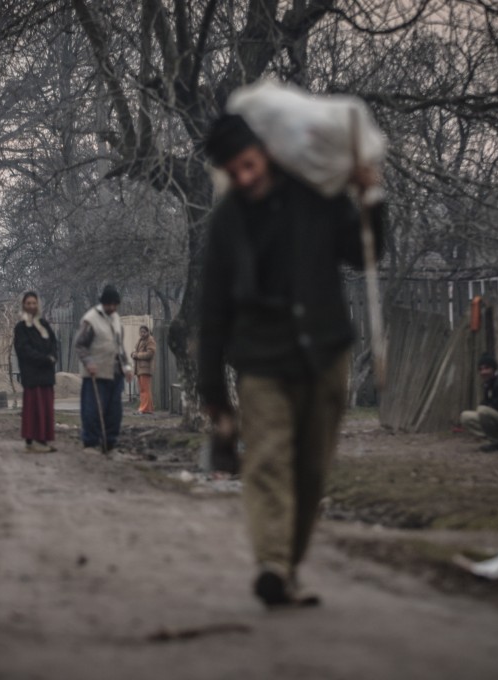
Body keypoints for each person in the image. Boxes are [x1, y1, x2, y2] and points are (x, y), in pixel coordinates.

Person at [198, 113, 387, 608]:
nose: (244, 177)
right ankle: (273, 565)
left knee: (310, 473)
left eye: (247, 164)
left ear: (263, 151)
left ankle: (288, 569)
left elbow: (366, 254)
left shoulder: (315, 199)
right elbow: (212, 309)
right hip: (260, 362)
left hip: (323, 355)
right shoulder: (227, 223)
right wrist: (212, 391)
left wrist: (370, 196)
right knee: (267, 462)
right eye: (233, 171)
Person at [75, 285, 133, 452]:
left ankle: (110, 442)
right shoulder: (91, 319)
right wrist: (89, 362)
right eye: (109, 304)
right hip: (96, 374)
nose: (113, 308)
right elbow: (80, 345)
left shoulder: (116, 319)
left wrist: (127, 367)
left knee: (114, 412)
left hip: (115, 373)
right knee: (92, 410)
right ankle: (91, 442)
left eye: (115, 304)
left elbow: (119, 346)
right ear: (103, 303)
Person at [13, 291, 59, 453]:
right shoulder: (21, 327)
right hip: (32, 375)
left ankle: (44, 440)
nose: (32, 306)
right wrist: (44, 359)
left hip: (46, 375)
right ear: (24, 306)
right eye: (28, 303)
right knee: (34, 408)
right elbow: (24, 350)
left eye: (34, 303)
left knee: (46, 408)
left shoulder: (44, 325)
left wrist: (52, 356)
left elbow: (53, 343)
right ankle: (32, 441)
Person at [132, 325, 156, 414]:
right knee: (142, 389)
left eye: (144, 332)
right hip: (139, 368)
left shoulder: (150, 340)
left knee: (145, 389)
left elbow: (150, 353)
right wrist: (133, 354)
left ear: (147, 332)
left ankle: (144, 408)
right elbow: (135, 350)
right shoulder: (140, 340)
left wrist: (137, 355)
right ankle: (147, 409)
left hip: (145, 368)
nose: (142, 333)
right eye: (141, 332)